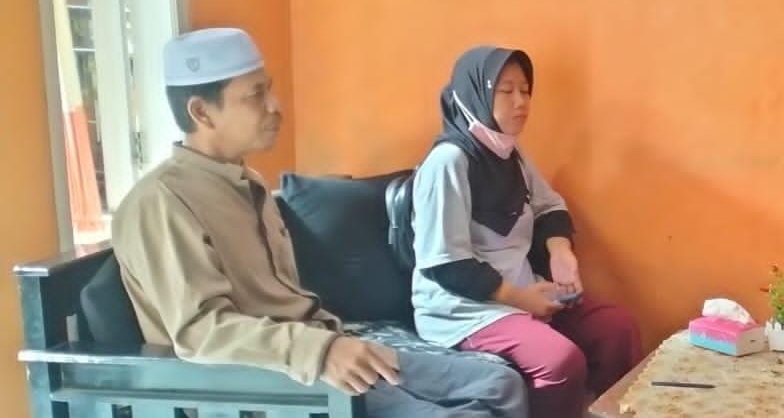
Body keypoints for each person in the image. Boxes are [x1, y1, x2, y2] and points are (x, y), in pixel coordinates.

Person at [111, 28, 528, 417]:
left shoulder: (246, 183)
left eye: (268, 89)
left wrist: (332, 344)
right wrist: (319, 351)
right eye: (255, 95)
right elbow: (202, 333)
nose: (274, 106)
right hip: (267, 384)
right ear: (202, 112)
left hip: (322, 353)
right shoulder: (161, 202)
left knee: (501, 384)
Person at [410, 46, 641, 418]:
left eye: (526, 90)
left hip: (521, 292)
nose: (521, 102)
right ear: (477, 94)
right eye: (506, 90)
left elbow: (550, 206)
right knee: (559, 360)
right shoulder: (448, 163)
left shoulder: (509, 155)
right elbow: (446, 263)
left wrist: (560, 252)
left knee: (616, 328)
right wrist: (519, 298)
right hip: (466, 310)